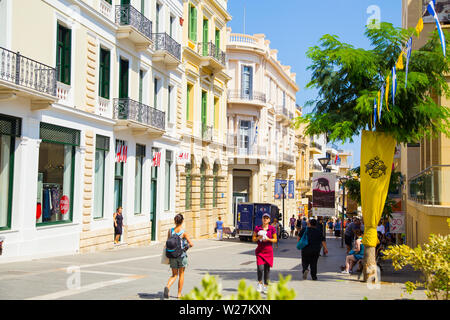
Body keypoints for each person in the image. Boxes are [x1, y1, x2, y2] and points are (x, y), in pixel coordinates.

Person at [164, 214, 194, 299]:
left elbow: (167, 243)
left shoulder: (170, 231)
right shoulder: (183, 232)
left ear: (175, 221)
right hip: (181, 256)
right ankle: (179, 294)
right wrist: (185, 248)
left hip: (172, 255)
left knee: (174, 275)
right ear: (182, 221)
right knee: (181, 275)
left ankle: (167, 287)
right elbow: (191, 244)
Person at [252, 213, 277, 293]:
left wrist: (268, 239)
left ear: (269, 220)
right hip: (260, 251)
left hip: (268, 251)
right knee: (260, 268)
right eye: (264, 218)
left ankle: (266, 285)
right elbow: (253, 239)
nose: (265, 219)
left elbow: (275, 240)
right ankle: (260, 283)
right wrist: (259, 237)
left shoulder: (272, 229)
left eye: (267, 218)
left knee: (267, 270)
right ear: (262, 219)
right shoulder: (257, 228)